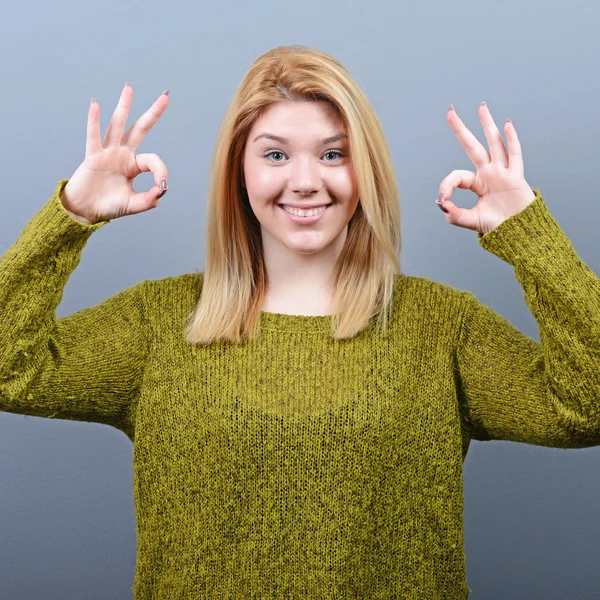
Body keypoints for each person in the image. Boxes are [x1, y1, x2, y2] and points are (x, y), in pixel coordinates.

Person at [1, 44, 599, 599]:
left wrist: (527, 233)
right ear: (240, 170)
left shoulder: (441, 327)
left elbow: (587, 406)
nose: (306, 181)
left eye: (333, 154)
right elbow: (10, 369)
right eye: (275, 154)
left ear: (365, 170)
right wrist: (70, 215)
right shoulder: (158, 323)